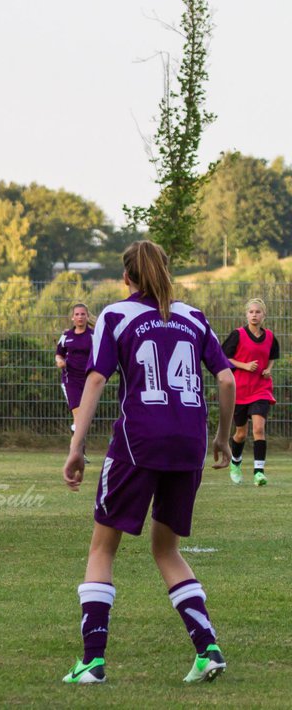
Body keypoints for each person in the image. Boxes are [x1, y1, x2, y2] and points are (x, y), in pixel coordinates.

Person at [61, 241, 236, 686]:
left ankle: (92, 663)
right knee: (167, 549)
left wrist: (77, 446)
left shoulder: (116, 315)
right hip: (188, 445)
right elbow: (227, 376)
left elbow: (97, 377)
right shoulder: (194, 316)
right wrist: (219, 436)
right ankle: (208, 648)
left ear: (127, 278)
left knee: (103, 548)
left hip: (138, 443)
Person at [222, 297, 279, 486]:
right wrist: (245, 366)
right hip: (241, 391)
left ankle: (258, 473)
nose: (254, 315)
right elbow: (225, 358)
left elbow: (272, 356)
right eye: (251, 312)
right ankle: (235, 463)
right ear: (246, 314)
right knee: (240, 434)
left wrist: (269, 368)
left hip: (261, 390)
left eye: (258, 312)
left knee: (259, 429)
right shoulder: (237, 335)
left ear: (264, 315)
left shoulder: (270, 337)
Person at [56, 304, 93, 457]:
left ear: (87, 317)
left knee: (84, 419)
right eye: (77, 314)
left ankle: (77, 451)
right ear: (72, 317)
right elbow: (59, 354)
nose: (80, 317)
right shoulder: (66, 336)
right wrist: (59, 361)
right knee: (79, 417)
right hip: (71, 381)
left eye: (83, 314)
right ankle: (77, 454)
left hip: (89, 381)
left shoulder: (93, 336)